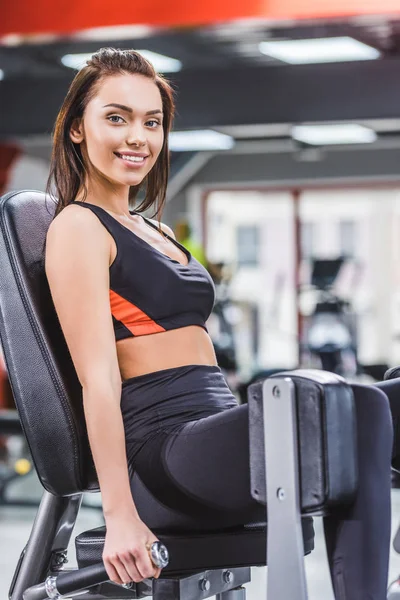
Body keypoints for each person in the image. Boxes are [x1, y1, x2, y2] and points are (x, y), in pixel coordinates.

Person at [44, 47, 393, 599]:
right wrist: (120, 514)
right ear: (77, 130)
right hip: (165, 457)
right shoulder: (78, 229)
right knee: (363, 405)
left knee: (387, 397)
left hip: (214, 430)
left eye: (151, 122)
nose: (138, 136)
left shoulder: (149, 229)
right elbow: (98, 380)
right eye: (117, 117)